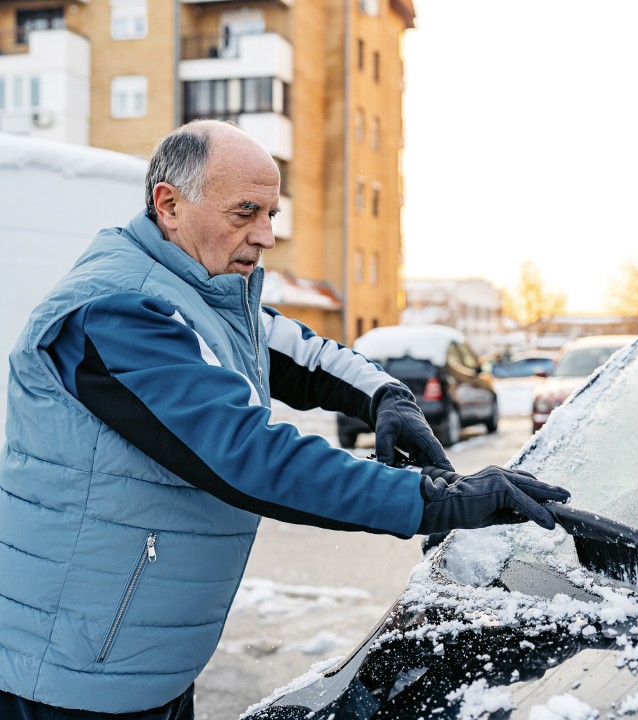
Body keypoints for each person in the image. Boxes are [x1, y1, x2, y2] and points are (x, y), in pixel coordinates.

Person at [0, 119, 570, 719]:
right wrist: (434, 500)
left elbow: (303, 354)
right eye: (245, 212)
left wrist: (387, 397)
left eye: (271, 213)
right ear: (169, 205)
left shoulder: (205, 291)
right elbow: (249, 457)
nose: (266, 235)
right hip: (69, 671)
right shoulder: (119, 312)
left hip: (135, 650)